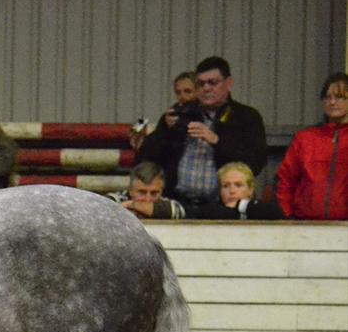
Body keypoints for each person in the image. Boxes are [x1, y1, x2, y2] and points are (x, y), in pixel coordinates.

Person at [137, 56, 267, 207]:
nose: (206, 88)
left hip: (224, 205)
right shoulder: (180, 114)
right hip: (178, 202)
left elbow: (256, 162)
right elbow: (145, 157)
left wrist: (216, 141)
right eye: (201, 84)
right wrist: (164, 130)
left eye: (213, 83)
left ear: (229, 83)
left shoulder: (246, 116)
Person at [275, 72, 348, 220]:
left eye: (339, 97)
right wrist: (287, 215)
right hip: (305, 223)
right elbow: (286, 180)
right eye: (328, 97)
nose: (332, 102)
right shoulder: (304, 138)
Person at [187, 161, 284, 220]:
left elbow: (276, 212)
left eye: (238, 185)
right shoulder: (210, 211)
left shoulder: (260, 209)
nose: (232, 190)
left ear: (250, 190)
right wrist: (230, 210)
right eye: (226, 186)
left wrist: (241, 205)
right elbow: (200, 212)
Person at [131, 71, 196, 153]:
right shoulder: (170, 115)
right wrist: (166, 128)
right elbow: (151, 150)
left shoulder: (207, 114)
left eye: (187, 91)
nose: (182, 96)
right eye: (178, 92)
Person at [106, 161, 186, 219]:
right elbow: (99, 210)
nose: (148, 199)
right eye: (142, 192)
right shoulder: (115, 199)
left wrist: (131, 205)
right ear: (130, 190)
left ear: (161, 191)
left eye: (154, 193)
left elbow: (179, 210)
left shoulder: (167, 204)